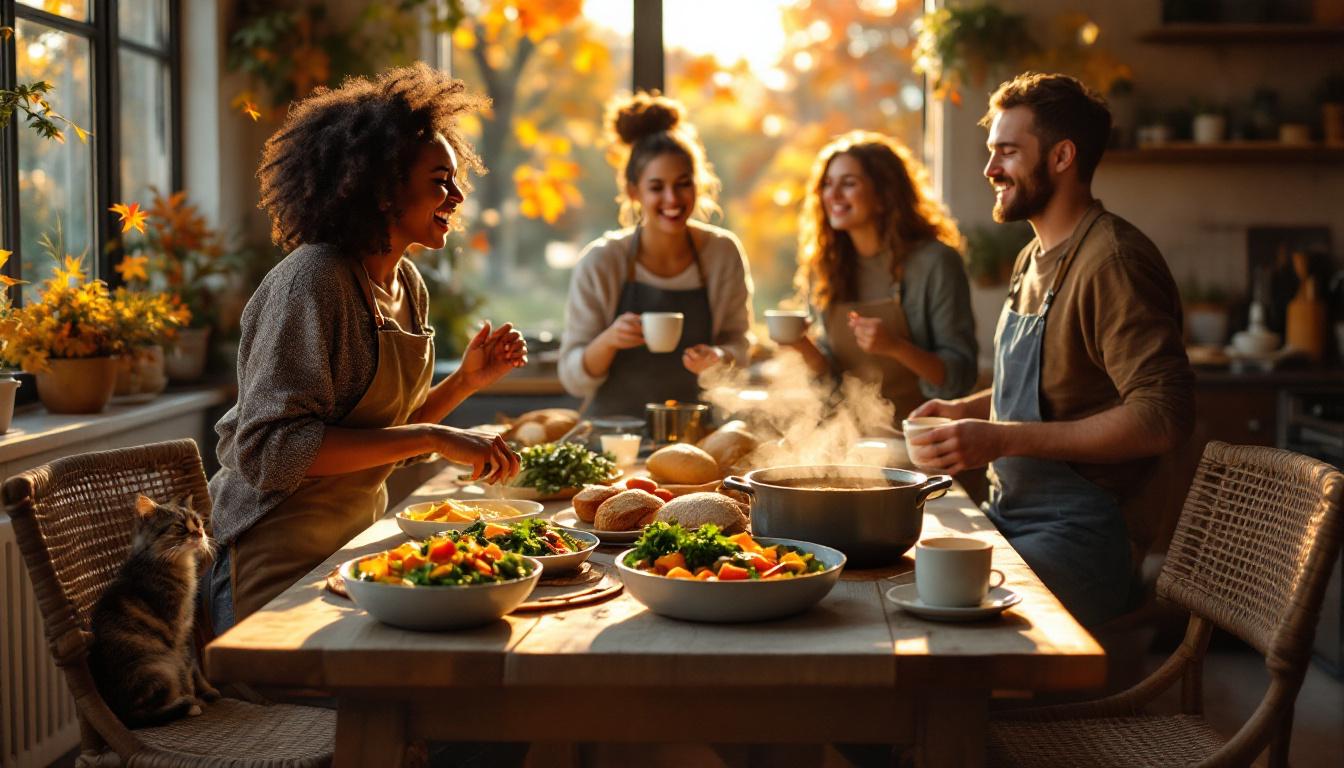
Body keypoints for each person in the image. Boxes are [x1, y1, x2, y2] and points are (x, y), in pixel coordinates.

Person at [206, 64, 527, 633]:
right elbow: (271, 452)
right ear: (382, 188)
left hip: (347, 562)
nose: (456, 196)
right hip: (270, 574)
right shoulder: (313, 280)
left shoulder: (408, 286)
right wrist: (435, 436)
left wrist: (466, 383)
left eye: (456, 181)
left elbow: (383, 444)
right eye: (439, 180)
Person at [908, 73, 1194, 628]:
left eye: (1008, 153)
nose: (991, 170)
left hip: (1084, 538)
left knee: (933, 621)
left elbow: (1163, 417)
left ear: (1063, 157)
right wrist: (965, 413)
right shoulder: (1033, 256)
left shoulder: (1112, 262)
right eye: (992, 153)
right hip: (1011, 515)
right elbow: (1052, 386)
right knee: (898, 584)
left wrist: (999, 437)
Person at [559, 92, 754, 417]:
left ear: (698, 185)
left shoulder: (723, 253)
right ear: (633, 191)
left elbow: (740, 345)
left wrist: (720, 357)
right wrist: (609, 341)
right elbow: (572, 377)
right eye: (656, 187)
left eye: (683, 184)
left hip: (698, 433)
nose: (672, 199)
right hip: (613, 436)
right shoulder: (602, 261)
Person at [785, 131, 977, 419]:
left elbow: (958, 377)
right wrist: (803, 347)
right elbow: (834, 382)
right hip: (850, 436)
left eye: (848, 183)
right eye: (827, 184)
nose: (833, 195)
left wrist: (895, 347)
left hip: (921, 435)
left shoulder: (935, 263)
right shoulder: (825, 266)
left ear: (885, 195)